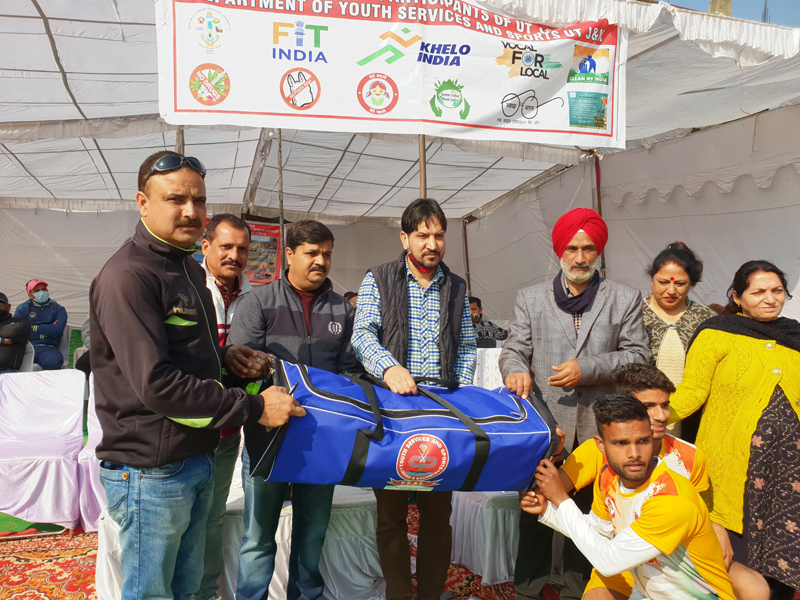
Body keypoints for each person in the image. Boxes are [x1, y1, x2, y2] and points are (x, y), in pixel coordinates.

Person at [90, 150, 305, 600]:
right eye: (175, 199)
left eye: (199, 200)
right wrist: (254, 407)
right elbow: (157, 384)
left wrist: (225, 358)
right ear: (143, 203)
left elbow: (183, 355)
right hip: (151, 470)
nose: (191, 211)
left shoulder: (186, 268)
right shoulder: (129, 276)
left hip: (196, 456)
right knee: (152, 594)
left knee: (189, 590)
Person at [499, 207, 650, 600]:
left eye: (588, 249)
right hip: (547, 427)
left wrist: (587, 368)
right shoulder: (531, 298)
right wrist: (515, 370)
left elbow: (638, 356)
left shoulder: (624, 298)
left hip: (600, 430)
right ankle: (527, 591)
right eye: (572, 249)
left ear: (598, 252)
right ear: (559, 251)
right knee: (534, 508)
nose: (580, 258)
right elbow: (513, 350)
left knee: (589, 516)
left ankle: (577, 591)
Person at [352, 198, 477, 600]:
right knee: (390, 514)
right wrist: (388, 368)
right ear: (405, 238)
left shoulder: (456, 286)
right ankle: (398, 594)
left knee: (438, 514)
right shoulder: (379, 278)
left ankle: (432, 593)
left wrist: (460, 396)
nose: (432, 244)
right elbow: (362, 334)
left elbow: (467, 347)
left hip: (441, 414)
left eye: (439, 235)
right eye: (423, 235)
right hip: (393, 413)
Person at [230, 220, 362, 600]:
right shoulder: (259, 302)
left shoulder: (343, 309)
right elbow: (240, 369)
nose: (321, 261)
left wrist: (336, 406)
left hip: (321, 441)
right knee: (258, 537)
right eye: (312, 253)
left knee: (313, 533)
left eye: (327, 254)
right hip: (267, 438)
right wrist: (264, 393)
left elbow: (351, 371)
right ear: (289, 254)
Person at [670, 260, 800, 600]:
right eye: (758, 292)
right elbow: (692, 392)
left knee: (786, 552)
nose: (770, 298)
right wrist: (650, 415)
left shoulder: (795, 337)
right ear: (738, 297)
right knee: (738, 562)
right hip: (735, 469)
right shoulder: (716, 333)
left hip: (789, 474)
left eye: (777, 291)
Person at [521, 394, 735, 600]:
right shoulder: (611, 479)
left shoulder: (671, 499)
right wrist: (548, 510)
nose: (634, 453)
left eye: (642, 441)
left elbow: (608, 561)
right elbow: (598, 532)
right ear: (601, 445)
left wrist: (561, 499)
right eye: (621, 443)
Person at [197, 213, 254, 600]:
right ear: (205, 246)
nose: (235, 255)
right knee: (177, 518)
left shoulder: (255, 296)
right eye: (226, 246)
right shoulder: (187, 287)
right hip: (186, 427)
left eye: (242, 249)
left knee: (213, 517)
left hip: (227, 429)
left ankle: (204, 593)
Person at [641, 242, 717, 440]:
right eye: (663, 282)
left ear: (691, 283)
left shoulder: (706, 319)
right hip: (641, 416)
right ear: (651, 279)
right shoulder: (633, 315)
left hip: (692, 419)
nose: (671, 290)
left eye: (680, 284)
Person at [14, 279, 67, 370]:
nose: (41, 293)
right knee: (9, 363)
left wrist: (32, 327)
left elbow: (57, 330)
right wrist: (48, 329)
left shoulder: (58, 309)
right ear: (30, 295)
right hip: (25, 347)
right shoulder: (22, 309)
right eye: (37, 291)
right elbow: (19, 331)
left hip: (47, 348)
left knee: (53, 364)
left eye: (44, 289)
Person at [0, 292, 32, 374]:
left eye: (0, 304)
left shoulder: (20, 321)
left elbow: (20, 330)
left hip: (6, 371)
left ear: (8, 307)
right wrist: (2, 340)